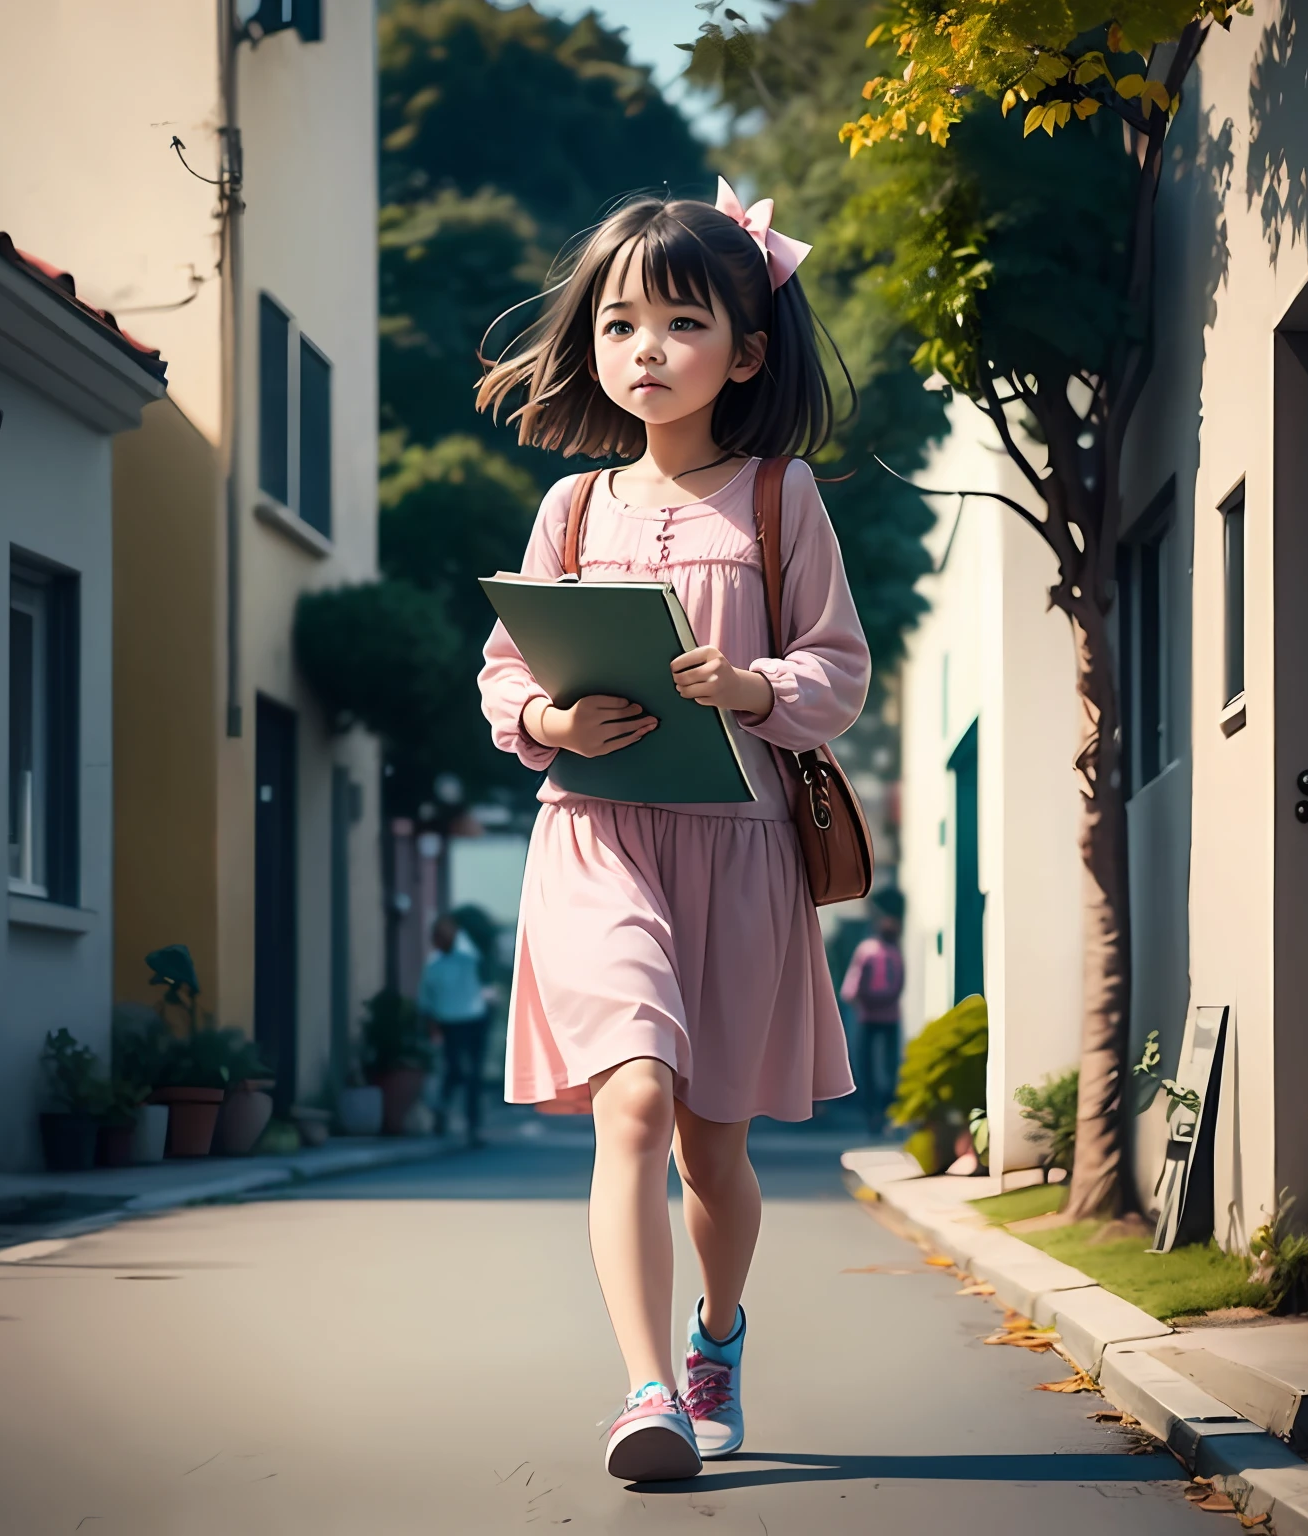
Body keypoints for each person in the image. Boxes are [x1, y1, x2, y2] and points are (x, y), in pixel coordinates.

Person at [476, 179, 868, 1482]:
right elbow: (500, 675)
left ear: (746, 351)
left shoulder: (779, 498)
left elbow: (839, 670)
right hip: (596, 843)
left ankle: (715, 1337)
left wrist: (751, 688)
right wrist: (549, 715)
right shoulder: (570, 513)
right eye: (620, 325)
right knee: (631, 1102)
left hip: (740, 845)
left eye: (682, 323)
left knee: (715, 1144)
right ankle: (648, 1392)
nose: (646, 351)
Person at [417, 915, 491, 1147]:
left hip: (474, 1020)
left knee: (474, 1075)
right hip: (450, 1023)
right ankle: (442, 1111)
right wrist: (432, 1028)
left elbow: (475, 953)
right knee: (455, 1070)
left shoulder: (468, 957)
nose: (444, 938)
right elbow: (426, 999)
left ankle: (473, 1127)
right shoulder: (433, 965)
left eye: (448, 933)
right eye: (439, 934)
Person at [840, 909, 906, 1136]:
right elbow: (901, 984)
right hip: (890, 1016)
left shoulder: (866, 951)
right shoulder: (896, 953)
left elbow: (851, 988)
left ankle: (871, 1114)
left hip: (867, 1016)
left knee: (866, 1065)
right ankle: (888, 1111)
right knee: (889, 1066)